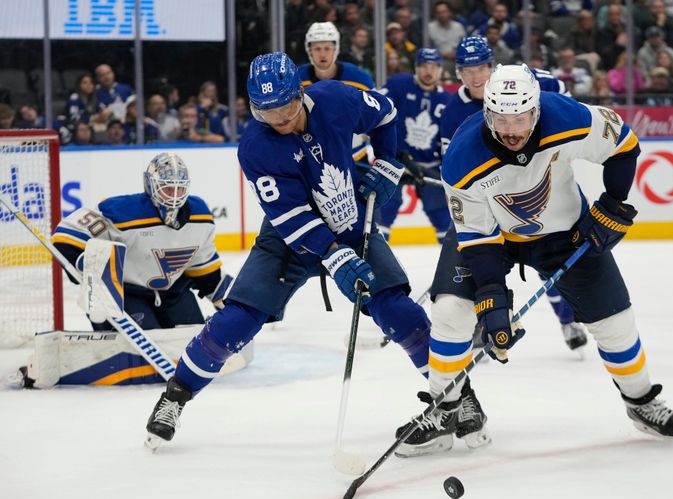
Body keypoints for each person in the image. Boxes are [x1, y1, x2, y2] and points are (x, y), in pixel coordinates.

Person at [395, 64, 673, 456]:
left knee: (616, 321)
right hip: (491, 238)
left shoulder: (566, 117)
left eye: (520, 118)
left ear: (536, 110)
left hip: (563, 234)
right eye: (501, 118)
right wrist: (492, 299)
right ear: (487, 113)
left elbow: (623, 145)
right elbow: (478, 238)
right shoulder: (463, 158)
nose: (512, 129)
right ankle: (443, 409)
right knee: (451, 312)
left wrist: (613, 203)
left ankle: (640, 402)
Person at [144, 52, 433, 448]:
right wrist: (333, 255)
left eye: (286, 107)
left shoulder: (335, 99)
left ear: (301, 93)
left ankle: (455, 398)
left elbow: (385, 113)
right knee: (238, 320)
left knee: (399, 310)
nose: (279, 120)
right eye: (266, 113)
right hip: (287, 239)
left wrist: (386, 163)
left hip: (348, 220)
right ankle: (173, 397)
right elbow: (292, 217)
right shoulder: (256, 148)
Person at [440, 36, 587, 354]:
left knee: (550, 260)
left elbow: (567, 109)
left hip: (538, 192)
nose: (476, 76)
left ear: (492, 67)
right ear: (458, 73)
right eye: (468, 70)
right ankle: (490, 323)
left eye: (481, 67)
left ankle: (568, 320)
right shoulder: (453, 110)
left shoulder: (529, 84)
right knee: (483, 262)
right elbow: (454, 169)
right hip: (490, 201)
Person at [52, 153, 229, 331]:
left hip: (174, 292)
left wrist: (233, 303)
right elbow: (66, 237)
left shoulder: (200, 216)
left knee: (197, 340)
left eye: (179, 189)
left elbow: (206, 272)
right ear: (151, 184)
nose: (174, 196)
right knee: (145, 346)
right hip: (128, 293)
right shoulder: (123, 212)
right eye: (167, 188)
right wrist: (91, 272)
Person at [378, 48, 453, 243]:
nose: (429, 71)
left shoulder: (446, 100)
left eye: (433, 67)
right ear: (416, 68)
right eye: (424, 66)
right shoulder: (398, 85)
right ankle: (376, 261)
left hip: (428, 166)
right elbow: (377, 112)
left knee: (443, 218)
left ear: (440, 69)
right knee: (383, 212)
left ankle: (454, 269)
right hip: (395, 161)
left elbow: (449, 140)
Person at [297, 22, 376, 163]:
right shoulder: (297, 79)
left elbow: (377, 114)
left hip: (355, 157)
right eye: (317, 49)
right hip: (314, 160)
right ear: (309, 50)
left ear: (336, 49)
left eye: (327, 48)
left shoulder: (359, 78)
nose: (322, 54)